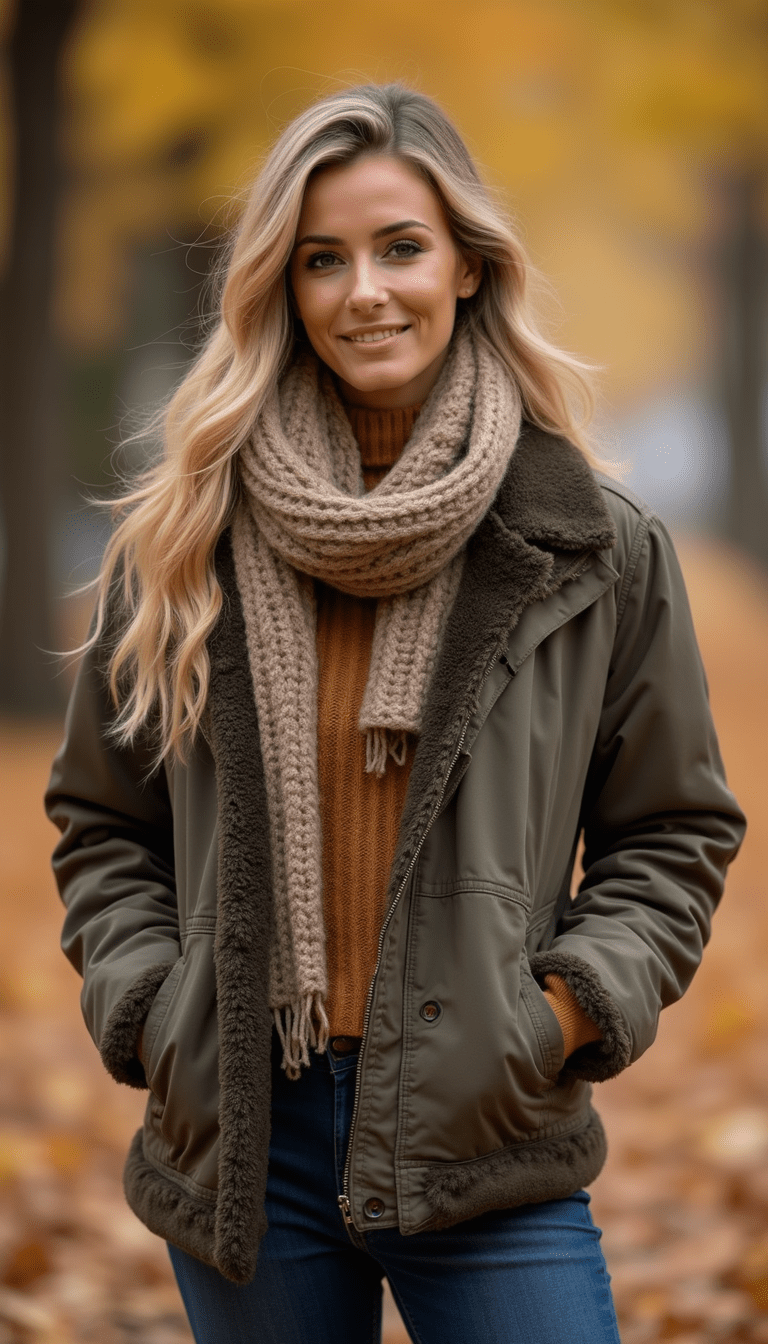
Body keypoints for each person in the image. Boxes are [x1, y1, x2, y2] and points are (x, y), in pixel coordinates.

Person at [45, 83, 745, 1344]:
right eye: (323, 260)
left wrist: (561, 1015)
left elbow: (674, 833)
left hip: (487, 1132)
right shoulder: (181, 540)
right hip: (246, 1143)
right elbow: (103, 823)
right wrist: (157, 1009)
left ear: (470, 266)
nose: (364, 290)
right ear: (283, 288)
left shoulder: (592, 548)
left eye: (400, 247)